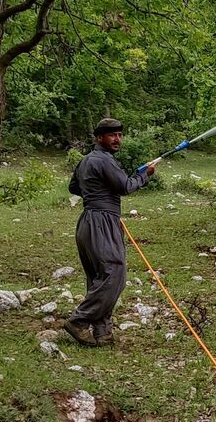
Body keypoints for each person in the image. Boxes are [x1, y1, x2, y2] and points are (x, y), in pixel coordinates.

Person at [64, 118, 155, 347]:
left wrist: (96, 190)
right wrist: (145, 175)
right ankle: (79, 321)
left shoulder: (86, 160)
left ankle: (102, 332)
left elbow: (74, 187)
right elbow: (126, 186)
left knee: (99, 277)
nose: (117, 139)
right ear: (99, 137)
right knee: (114, 274)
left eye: (119, 135)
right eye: (112, 135)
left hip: (87, 222)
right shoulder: (104, 160)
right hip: (103, 222)